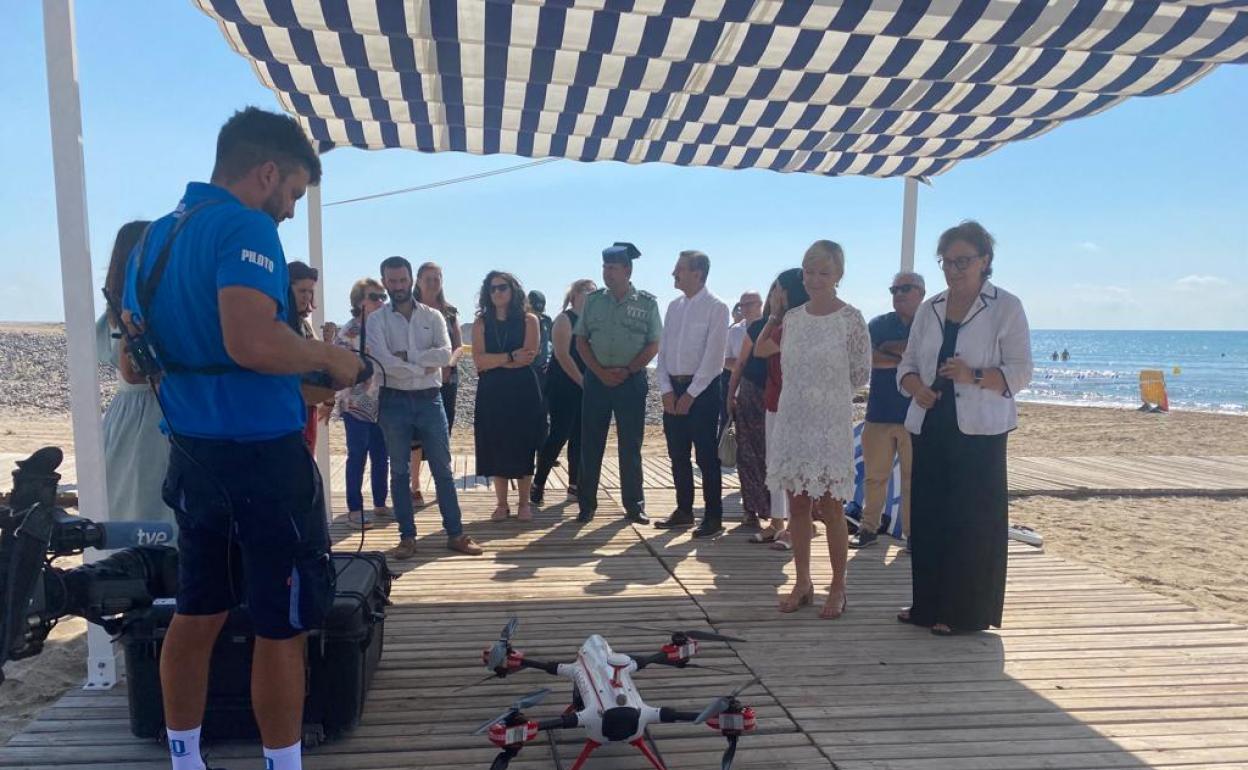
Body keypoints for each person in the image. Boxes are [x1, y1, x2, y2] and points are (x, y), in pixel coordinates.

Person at [120, 107, 362, 770]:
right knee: (280, 626)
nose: (287, 211)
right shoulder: (245, 226)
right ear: (266, 173)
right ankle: (283, 765)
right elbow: (251, 340)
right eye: (290, 195)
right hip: (263, 464)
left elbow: (134, 364)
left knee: (196, 615)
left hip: (193, 460)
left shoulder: (153, 240)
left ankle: (184, 759)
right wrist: (331, 361)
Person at [898, 220, 1033, 635]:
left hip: (980, 430)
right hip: (931, 422)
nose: (954, 270)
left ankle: (963, 613)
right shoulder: (930, 307)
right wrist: (916, 387)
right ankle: (926, 606)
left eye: (963, 261)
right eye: (947, 262)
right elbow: (905, 366)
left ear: (985, 261)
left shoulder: (1005, 306)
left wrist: (972, 375)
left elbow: (1022, 373)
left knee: (971, 521)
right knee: (929, 517)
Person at [765, 241, 870, 619]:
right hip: (794, 419)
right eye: (809, 271)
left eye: (823, 272)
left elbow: (860, 374)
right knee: (797, 504)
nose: (814, 279)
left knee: (831, 506)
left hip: (829, 422)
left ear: (839, 275)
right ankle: (803, 580)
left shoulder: (850, 318)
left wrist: (827, 394)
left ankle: (838, 585)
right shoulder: (793, 318)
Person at [368, 255, 483, 558]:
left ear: (411, 280)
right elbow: (381, 361)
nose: (398, 286)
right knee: (400, 472)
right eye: (392, 281)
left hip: (430, 400)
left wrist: (405, 359)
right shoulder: (376, 319)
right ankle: (407, 537)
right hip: (393, 400)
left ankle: (455, 534)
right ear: (385, 282)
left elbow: (445, 355)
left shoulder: (433, 317)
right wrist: (421, 364)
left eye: (402, 280)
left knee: (443, 469)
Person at [98, 220, 177, 531]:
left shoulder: (113, 312)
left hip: (127, 418)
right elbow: (134, 374)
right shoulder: (131, 310)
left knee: (128, 502)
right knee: (148, 508)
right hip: (150, 416)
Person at [575, 242, 662, 524]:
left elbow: (653, 344)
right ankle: (586, 504)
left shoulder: (647, 303)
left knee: (630, 444)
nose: (606, 273)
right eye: (604, 267)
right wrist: (599, 371)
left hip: (631, 381)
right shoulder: (594, 300)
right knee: (591, 443)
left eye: (612, 268)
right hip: (597, 380)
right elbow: (581, 340)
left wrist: (628, 369)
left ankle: (634, 505)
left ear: (627, 270)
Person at [653, 251, 730, 538]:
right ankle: (684, 510)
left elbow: (714, 358)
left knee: (706, 457)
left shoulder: (717, 307)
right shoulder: (673, 307)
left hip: (704, 390)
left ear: (697, 273)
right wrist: (666, 390)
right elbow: (663, 353)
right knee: (677, 454)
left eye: (679, 269)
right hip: (674, 387)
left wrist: (692, 394)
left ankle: (713, 517)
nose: (674, 274)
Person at [853, 272, 925, 550]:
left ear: (920, 292)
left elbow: (927, 360)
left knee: (912, 481)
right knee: (875, 477)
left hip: (915, 415)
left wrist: (892, 351)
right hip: (879, 414)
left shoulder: (930, 324)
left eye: (905, 289)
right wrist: (906, 357)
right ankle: (868, 529)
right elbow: (870, 359)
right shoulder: (879, 324)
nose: (898, 294)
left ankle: (912, 535)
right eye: (894, 289)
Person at [473, 271, 545, 521]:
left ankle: (524, 503)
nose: (497, 293)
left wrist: (498, 361)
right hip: (492, 391)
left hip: (522, 388)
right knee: (496, 443)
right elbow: (479, 361)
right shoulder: (482, 322)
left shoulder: (529, 320)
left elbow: (528, 357)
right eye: (492, 289)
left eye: (502, 287)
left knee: (524, 444)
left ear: (513, 290)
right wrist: (509, 357)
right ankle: (501, 503)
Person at [751, 269, 809, 549]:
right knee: (774, 463)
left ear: (787, 292)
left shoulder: (795, 323)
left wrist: (773, 315)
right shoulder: (784, 322)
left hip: (794, 404)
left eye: (776, 289)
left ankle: (799, 526)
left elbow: (760, 349)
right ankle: (777, 521)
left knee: (792, 465)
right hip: (774, 399)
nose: (772, 295)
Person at [532, 279, 597, 505]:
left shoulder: (593, 322)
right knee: (559, 435)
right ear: (574, 295)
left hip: (585, 385)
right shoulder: (564, 319)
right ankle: (538, 483)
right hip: (563, 384)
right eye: (586, 291)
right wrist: (581, 381)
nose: (590, 295)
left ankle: (574, 485)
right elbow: (562, 354)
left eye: (594, 292)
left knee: (580, 437)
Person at [334, 278, 390, 530]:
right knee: (357, 455)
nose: (380, 301)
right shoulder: (349, 331)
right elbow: (339, 366)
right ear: (359, 301)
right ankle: (354, 509)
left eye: (383, 297)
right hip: (356, 403)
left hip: (381, 402)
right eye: (374, 297)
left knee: (381, 454)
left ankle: (380, 502)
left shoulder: (384, 327)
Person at [407, 262, 462, 508]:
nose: (433, 282)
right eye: (428, 278)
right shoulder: (410, 309)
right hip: (417, 378)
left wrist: (447, 365)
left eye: (437, 277)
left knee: (442, 433)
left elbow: (458, 345)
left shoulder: (450, 311)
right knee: (415, 435)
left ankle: (442, 485)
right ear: (418, 281)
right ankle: (415, 486)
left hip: (447, 378)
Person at [726, 288, 770, 530]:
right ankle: (751, 509)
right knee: (747, 453)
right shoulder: (739, 331)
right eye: (743, 305)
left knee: (771, 454)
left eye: (751, 304)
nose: (746, 308)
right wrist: (731, 393)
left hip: (775, 395)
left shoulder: (777, 326)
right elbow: (737, 362)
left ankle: (774, 511)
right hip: (750, 392)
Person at [289, 260, 330, 452]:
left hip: (308, 404)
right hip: (289, 406)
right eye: (301, 291)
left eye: (310, 291)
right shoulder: (280, 325)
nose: (306, 296)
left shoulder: (304, 324)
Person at [722, 292, 761, 436]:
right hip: (739, 391)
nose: (744, 308)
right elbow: (725, 360)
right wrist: (745, 368)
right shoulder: (734, 331)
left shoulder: (769, 327)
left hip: (764, 391)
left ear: (760, 304)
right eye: (741, 305)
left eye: (748, 304)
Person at [529, 289, 555, 377]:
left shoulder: (547, 321)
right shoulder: (524, 321)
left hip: (545, 367)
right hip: (529, 367)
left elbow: (551, 342)